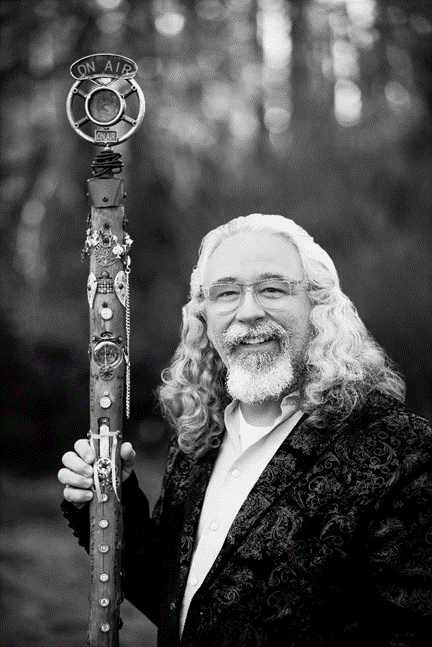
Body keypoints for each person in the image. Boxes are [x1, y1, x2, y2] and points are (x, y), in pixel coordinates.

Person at [59, 214, 431, 647]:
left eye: (273, 289)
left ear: (320, 306)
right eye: (227, 293)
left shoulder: (402, 451)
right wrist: (110, 497)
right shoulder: (201, 438)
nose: (249, 311)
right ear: (205, 317)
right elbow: (174, 599)